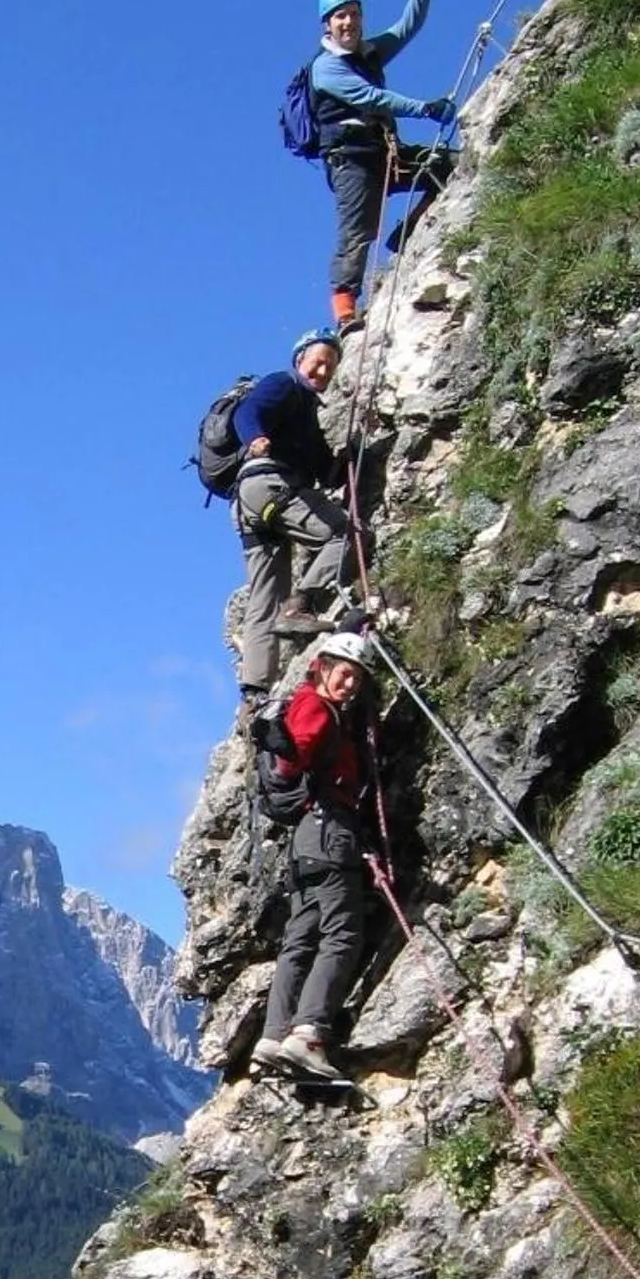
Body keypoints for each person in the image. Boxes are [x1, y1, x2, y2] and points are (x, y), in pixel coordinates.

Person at [250, 632, 383, 1082]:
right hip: (331, 831)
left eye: (357, 680)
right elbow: (299, 751)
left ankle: (274, 1035)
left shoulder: (317, 705)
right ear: (323, 667)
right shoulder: (314, 707)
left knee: (301, 937)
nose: (350, 685)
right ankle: (308, 1035)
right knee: (342, 934)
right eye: (345, 674)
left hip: (308, 838)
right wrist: (289, 750)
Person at [311, 0, 458, 332]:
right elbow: (371, 97)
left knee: (448, 168)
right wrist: (424, 108)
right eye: (340, 16)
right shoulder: (325, 68)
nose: (349, 21)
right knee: (357, 231)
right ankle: (344, 310)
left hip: (383, 152)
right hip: (352, 159)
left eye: (353, 14)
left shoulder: (369, 52)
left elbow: (409, 25)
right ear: (328, 24)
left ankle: (409, 234)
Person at [230, 329, 357, 719]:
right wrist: (256, 438)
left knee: (264, 596)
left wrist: (353, 451)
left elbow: (326, 472)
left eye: (329, 367)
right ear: (299, 359)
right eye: (316, 361)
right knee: (345, 534)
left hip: (251, 502)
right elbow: (247, 412)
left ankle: (255, 694)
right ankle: (301, 604)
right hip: (268, 483)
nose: (321, 371)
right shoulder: (283, 385)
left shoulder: (307, 419)